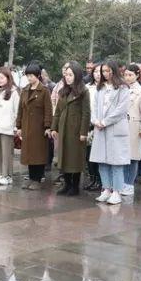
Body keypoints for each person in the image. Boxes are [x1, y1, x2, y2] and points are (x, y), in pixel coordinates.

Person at [90, 61, 131, 205]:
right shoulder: (100, 88)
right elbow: (94, 106)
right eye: (103, 71)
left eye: (108, 71)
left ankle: (117, 191)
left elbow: (121, 110)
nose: (105, 74)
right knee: (102, 162)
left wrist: (105, 121)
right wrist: (95, 120)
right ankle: (106, 188)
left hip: (115, 129)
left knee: (116, 163)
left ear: (114, 71)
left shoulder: (122, 88)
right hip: (100, 129)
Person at [51, 61, 90, 196]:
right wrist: (54, 127)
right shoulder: (63, 91)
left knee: (75, 158)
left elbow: (86, 113)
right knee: (64, 157)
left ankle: (74, 186)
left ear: (77, 75)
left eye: (70, 75)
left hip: (75, 128)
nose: (68, 77)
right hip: (63, 128)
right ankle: (66, 184)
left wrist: (83, 132)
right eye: (66, 75)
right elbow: (57, 111)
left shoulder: (83, 91)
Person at [16, 62, 52, 190]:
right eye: (28, 76)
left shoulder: (44, 91)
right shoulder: (25, 90)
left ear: (37, 75)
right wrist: (18, 126)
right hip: (27, 127)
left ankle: (37, 179)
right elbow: (20, 109)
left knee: (38, 154)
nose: (29, 78)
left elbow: (48, 110)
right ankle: (31, 177)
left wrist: (48, 126)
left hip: (39, 128)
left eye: (31, 75)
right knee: (29, 154)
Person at [0, 66, 19, 186]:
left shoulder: (14, 92)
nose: (0, 80)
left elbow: (17, 111)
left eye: (2, 78)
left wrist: (16, 127)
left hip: (7, 127)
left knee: (7, 152)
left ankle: (7, 175)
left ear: (8, 78)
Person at [121, 64, 141, 197]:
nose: (127, 77)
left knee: (133, 157)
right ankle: (122, 183)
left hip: (134, 127)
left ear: (137, 75)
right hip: (121, 126)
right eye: (125, 74)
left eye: (130, 75)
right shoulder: (121, 89)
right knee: (122, 156)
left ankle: (129, 183)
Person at [84, 63, 104, 191]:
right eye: (95, 71)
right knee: (89, 154)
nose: (97, 74)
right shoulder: (87, 87)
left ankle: (101, 180)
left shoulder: (108, 87)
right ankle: (93, 179)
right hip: (89, 124)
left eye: (100, 71)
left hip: (101, 124)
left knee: (100, 155)